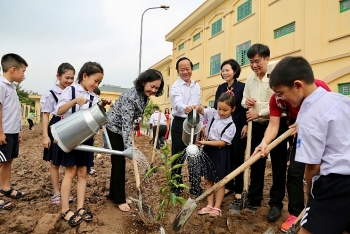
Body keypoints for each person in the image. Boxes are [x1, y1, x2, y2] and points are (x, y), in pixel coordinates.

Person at [268, 56, 350, 234]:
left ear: (298, 85)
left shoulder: (308, 115)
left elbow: (312, 166)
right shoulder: (341, 99)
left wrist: (310, 194)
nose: (281, 98)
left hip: (335, 183)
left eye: (281, 93)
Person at [253, 74, 330, 231]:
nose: (278, 96)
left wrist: (306, 124)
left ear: (296, 85)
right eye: (275, 91)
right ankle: (296, 213)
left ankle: (321, 210)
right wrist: (264, 142)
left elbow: (331, 114)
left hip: (326, 138)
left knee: (324, 174)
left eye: (281, 91)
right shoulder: (276, 99)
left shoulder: (318, 88)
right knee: (294, 173)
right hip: (300, 137)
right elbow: (273, 126)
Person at [56, 62, 110, 227]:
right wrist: (73, 101)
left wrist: (103, 105)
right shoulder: (70, 90)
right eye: (95, 80)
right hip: (71, 135)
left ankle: (80, 207)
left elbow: (95, 116)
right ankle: (65, 209)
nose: (96, 85)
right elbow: (59, 110)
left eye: (99, 83)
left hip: (87, 138)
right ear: (85, 76)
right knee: (70, 172)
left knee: (83, 173)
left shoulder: (95, 97)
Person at [241, 44, 288, 221]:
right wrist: (248, 102)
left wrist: (259, 112)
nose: (254, 65)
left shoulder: (276, 73)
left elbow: (282, 100)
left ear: (267, 59)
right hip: (257, 125)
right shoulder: (250, 79)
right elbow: (244, 100)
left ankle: (276, 204)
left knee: (278, 164)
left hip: (277, 123)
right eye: (251, 62)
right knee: (256, 161)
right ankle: (254, 199)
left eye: (258, 61)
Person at [106, 69, 164, 212]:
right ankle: (119, 199)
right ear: (144, 82)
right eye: (152, 86)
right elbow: (125, 125)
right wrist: (129, 149)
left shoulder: (143, 97)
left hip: (122, 129)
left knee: (118, 162)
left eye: (157, 88)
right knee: (119, 162)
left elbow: (130, 121)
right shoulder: (130, 97)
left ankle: (114, 195)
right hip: (114, 129)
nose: (153, 90)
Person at [194, 93, 236, 217]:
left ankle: (217, 207)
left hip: (220, 152)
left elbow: (223, 143)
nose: (221, 112)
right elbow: (202, 110)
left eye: (225, 110)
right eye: (219, 109)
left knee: (220, 181)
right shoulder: (213, 114)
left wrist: (204, 142)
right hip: (208, 150)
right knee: (208, 179)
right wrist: (197, 107)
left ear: (233, 109)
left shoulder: (231, 125)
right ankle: (209, 204)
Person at [213, 59, 247, 211]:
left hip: (238, 128)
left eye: (227, 70)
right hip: (222, 130)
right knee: (225, 159)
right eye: (223, 70)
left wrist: (246, 124)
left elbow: (246, 107)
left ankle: (239, 190)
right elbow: (216, 109)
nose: (225, 73)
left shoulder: (242, 87)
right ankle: (228, 185)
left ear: (235, 71)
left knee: (237, 159)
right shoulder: (220, 88)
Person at [40, 62, 75, 205]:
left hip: (69, 127)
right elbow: (45, 115)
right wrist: (45, 136)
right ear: (58, 76)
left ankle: (65, 190)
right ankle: (56, 192)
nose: (69, 81)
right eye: (67, 77)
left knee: (68, 161)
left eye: (72, 78)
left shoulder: (72, 92)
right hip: (55, 127)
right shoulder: (51, 94)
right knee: (55, 162)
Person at [170, 57, 203, 196]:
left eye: (187, 69)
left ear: (191, 69)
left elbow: (199, 104)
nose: (185, 72)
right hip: (180, 122)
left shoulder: (196, 85)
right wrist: (187, 108)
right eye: (182, 69)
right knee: (178, 156)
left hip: (194, 123)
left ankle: (195, 187)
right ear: (178, 71)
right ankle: (176, 186)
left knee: (194, 155)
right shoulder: (175, 86)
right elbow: (177, 103)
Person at [0, 53, 28, 210]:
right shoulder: (1, 85)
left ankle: (5, 187)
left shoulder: (11, 87)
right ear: (13, 69)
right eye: (23, 71)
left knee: (8, 160)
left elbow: (12, 111)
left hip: (11, 131)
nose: (24, 75)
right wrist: (0, 132)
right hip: (3, 131)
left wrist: (17, 131)